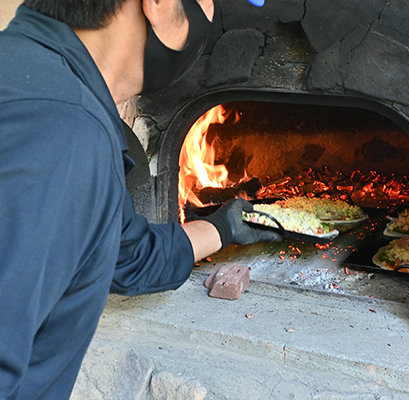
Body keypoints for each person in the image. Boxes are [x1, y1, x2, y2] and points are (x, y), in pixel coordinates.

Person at [0, 0, 276, 398]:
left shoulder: (36, 83)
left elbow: (119, 254)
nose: (209, 20)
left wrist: (222, 227)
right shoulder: (59, 127)